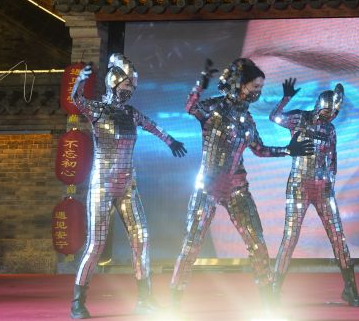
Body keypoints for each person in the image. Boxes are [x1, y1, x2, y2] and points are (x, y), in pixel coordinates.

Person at [169, 58, 313, 312]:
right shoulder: (213, 108)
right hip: (207, 187)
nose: (258, 92)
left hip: (237, 188)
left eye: (260, 88)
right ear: (240, 84)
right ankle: (174, 302)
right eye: (255, 87)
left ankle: (269, 301)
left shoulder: (247, 120)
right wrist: (200, 84)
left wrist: (289, 150)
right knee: (191, 244)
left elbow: (260, 149)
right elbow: (190, 107)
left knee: (257, 242)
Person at [70, 54, 186, 319]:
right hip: (102, 186)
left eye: (132, 87)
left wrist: (171, 141)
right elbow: (77, 100)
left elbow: (152, 126)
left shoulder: (130, 113)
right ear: (113, 83)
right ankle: (78, 301)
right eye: (126, 86)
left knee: (141, 238)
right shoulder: (97, 110)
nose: (130, 91)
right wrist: (80, 80)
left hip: (126, 186)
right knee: (96, 245)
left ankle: (145, 299)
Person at [270, 79, 359, 307]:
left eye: (335, 113)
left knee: (338, 237)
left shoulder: (330, 130)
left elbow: (333, 160)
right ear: (320, 106)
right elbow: (274, 117)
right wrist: (286, 98)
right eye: (328, 111)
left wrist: (330, 182)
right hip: (298, 187)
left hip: (323, 189)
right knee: (290, 237)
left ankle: (350, 289)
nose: (331, 116)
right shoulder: (299, 118)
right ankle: (273, 289)